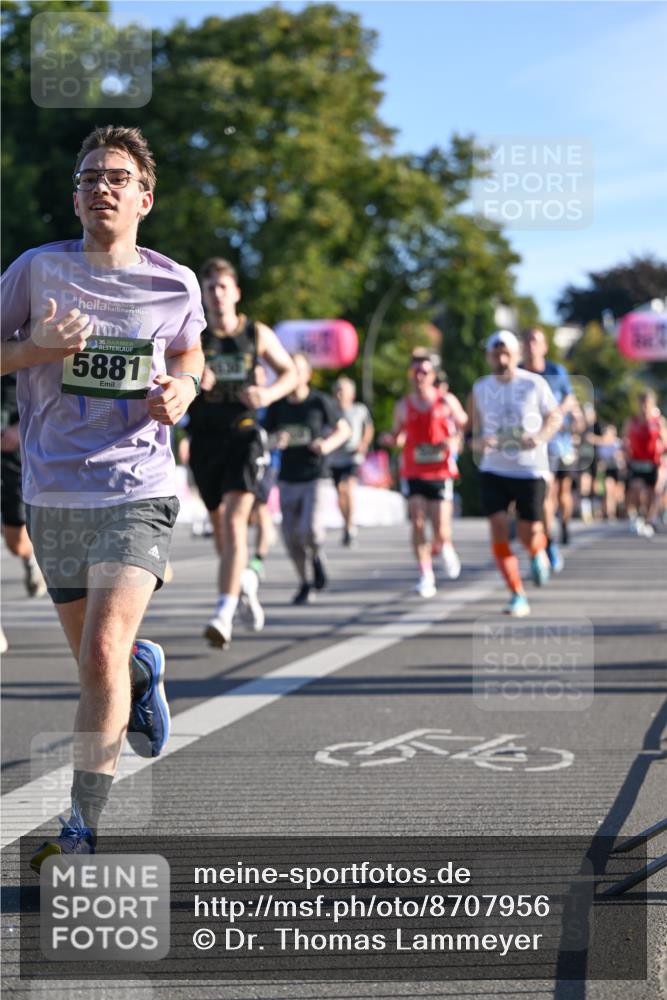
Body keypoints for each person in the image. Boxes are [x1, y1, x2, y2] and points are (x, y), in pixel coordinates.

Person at [0, 125, 206, 868]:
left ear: (144, 197)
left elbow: (190, 348)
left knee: (98, 657)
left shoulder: (174, 281)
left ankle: (82, 825)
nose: (100, 188)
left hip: (136, 488)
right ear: (75, 196)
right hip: (53, 491)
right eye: (88, 178)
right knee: (102, 660)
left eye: (116, 177)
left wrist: (182, 386)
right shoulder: (35, 271)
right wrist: (36, 352)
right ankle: (146, 670)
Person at [185, 259, 296, 649]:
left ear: (235, 293)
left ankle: (223, 613)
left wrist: (267, 394)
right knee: (222, 533)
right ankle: (242, 585)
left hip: (245, 435)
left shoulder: (256, 333)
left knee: (235, 523)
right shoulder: (192, 333)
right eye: (209, 286)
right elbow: (166, 368)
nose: (215, 293)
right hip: (204, 438)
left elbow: (292, 372)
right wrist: (192, 377)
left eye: (222, 286)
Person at [468, 330, 562, 617]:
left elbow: (555, 416)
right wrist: (478, 442)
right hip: (494, 468)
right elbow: (470, 432)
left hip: (530, 469)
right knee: (497, 528)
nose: (502, 358)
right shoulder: (480, 388)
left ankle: (538, 551)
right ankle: (516, 593)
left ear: (517, 354)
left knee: (528, 532)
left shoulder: (534, 384)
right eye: (496, 353)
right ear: (489, 357)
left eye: (506, 352)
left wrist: (541, 436)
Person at [263, 353, 350, 604]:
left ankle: (317, 555)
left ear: (308, 375)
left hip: (316, 476)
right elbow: (263, 437)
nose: (294, 375)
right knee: (290, 536)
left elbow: (344, 430)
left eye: (299, 370)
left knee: (309, 530)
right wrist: (274, 441)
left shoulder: (319, 402)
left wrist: (326, 444)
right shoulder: (277, 405)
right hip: (288, 477)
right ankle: (305, 581)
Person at [382, 350, 467, 598]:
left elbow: (464, 426)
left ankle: (446, 546)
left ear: (433, 375)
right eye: (415, 371)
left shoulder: (446, 401)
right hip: (413, 470)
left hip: (440, 471)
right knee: (418, 522)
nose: (419, 376)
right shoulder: (403, 405)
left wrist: (454, 441)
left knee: (440, 529)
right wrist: (390, 439)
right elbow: (397, 435)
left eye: (425, 372)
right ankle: (425, 574)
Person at [521, 327, 582, 571]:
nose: (531, 345)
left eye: (535, 341)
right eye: (526, 341)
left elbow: (570, 399)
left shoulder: (556, 371)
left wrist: (555, 415)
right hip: (527, 442)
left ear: (544, 347)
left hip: (556, 442)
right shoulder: (518, 372)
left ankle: (557, 531)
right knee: (541, 494)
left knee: (558, 492)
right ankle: (544, 537)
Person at [328, 377, 374, 546]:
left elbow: (368, 427)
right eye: (337, 390)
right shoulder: (331, 410)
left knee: (347, 489)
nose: (339, 394)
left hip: (352, 456)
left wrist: (364, 443)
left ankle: (349, 525)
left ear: (351, 394)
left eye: (343, 390)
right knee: (340, 493)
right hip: (335, 457)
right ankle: (346, 523)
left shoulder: (359, 410)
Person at [622, 390, 667, 538]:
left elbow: (665, 441)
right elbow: (625, 440)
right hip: (636, 462)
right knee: (637, 490)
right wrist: (625, 454)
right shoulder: (631, 421)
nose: (644, 407)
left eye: (647, 404)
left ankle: (649, 521)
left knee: (655, 492)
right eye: (642, 403)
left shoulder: (659, 421)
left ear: (652, 404)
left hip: (654, 462)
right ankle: (639, 516)